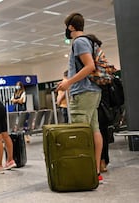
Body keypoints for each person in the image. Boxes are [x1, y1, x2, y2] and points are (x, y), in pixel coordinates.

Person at [56, 13, 104, 183]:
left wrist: (68, 83)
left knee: (79, 132)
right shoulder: (87, 41)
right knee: (94, 129)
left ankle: (83, 171)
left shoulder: (79, 42)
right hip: (91, 91)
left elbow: (89, 66)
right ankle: (95, 170)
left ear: (70, 27)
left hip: (83, 92)